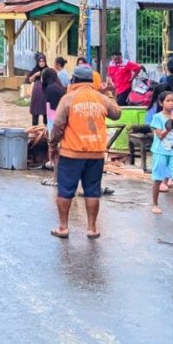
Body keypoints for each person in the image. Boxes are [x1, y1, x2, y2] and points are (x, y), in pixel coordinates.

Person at [48, 65, 122, 239]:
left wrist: (52, 145)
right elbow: (117, 114)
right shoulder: (101, 98)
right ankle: (91, 228)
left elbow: (58, 125)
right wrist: (109, 93)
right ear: (92, 81)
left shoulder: (68, 98)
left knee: (65, 190)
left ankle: (63, 227)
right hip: (96, 153)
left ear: (74, 80)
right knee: (92, 191)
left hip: (71, 153)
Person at [148, 91, 173, 215]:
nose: (170, 103)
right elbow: (160, 135)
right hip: (160, 150)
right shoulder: (157, 117)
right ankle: (155, 203)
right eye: (167, 101)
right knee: (157, 178)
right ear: (161, 103)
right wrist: (171, 124)